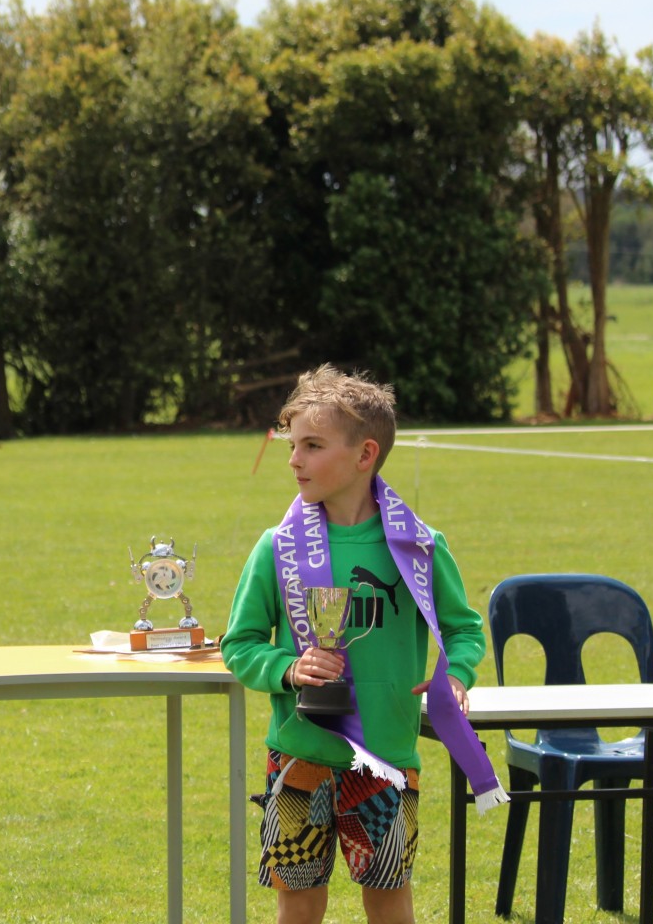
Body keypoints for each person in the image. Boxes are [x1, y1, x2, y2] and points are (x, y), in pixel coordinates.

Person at [220, 364, 506, 924]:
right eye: (292, 445)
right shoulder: (275, 548)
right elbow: (241, 643)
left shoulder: (418, 545)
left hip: (387, 760)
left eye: (312, 445)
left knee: (389, 900)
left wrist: (455, 675)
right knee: (298, 902)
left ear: (365, 454)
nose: (294, 459)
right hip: (298, 757)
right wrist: (287, 668)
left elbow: (464, 628)